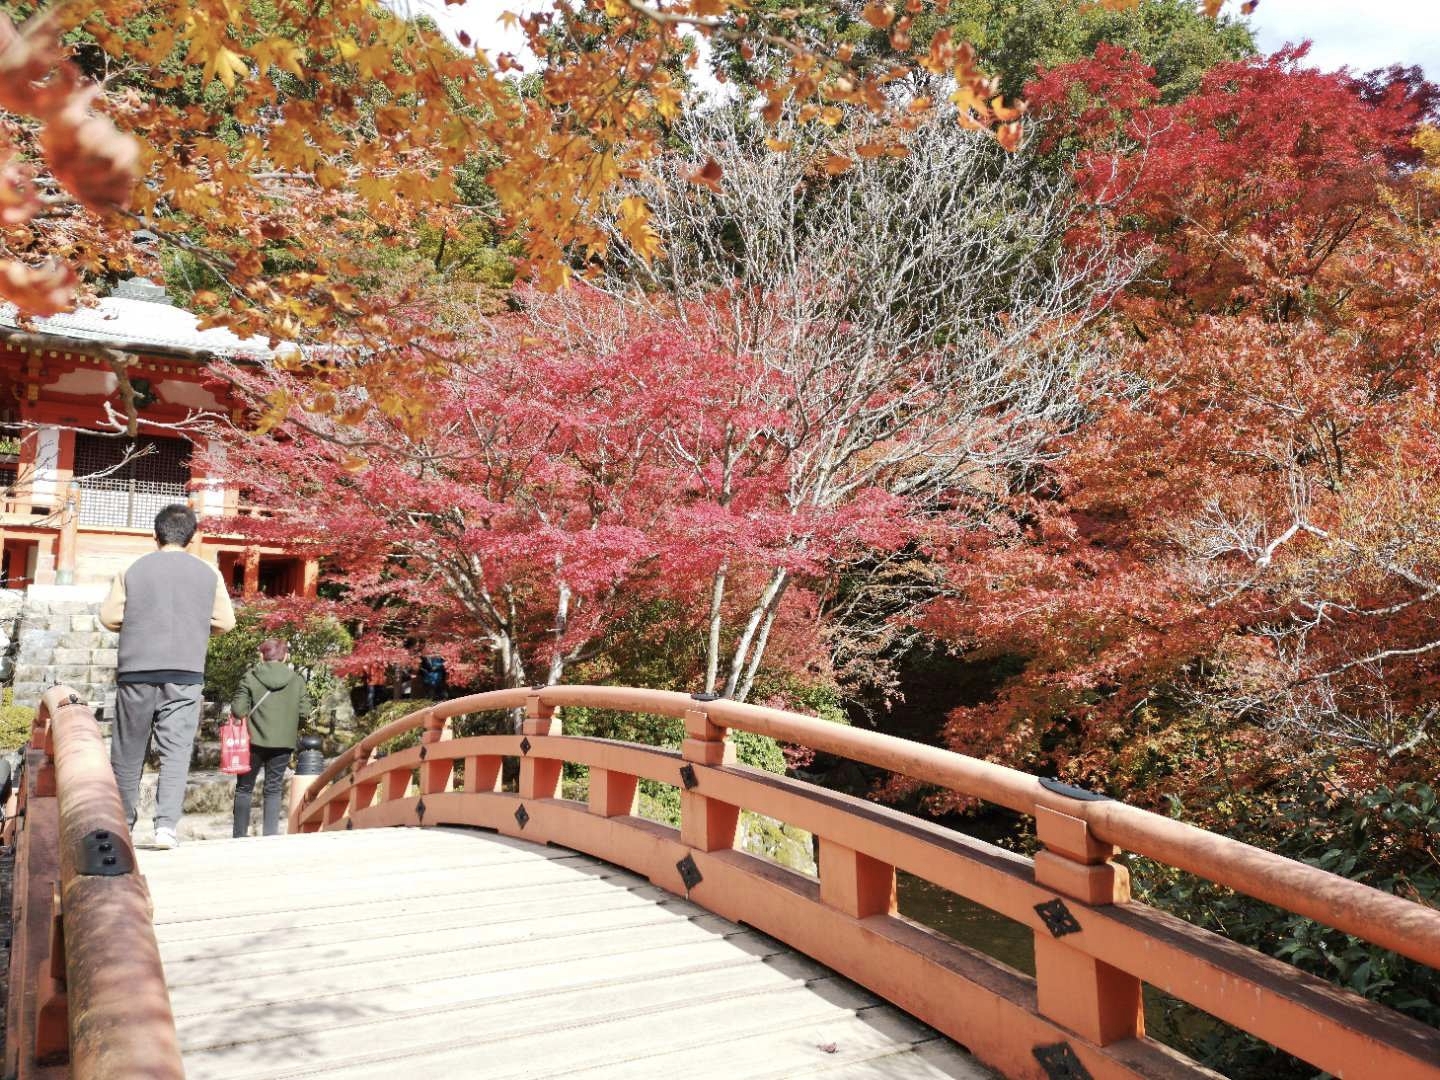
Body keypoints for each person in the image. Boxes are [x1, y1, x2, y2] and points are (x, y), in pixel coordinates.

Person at [100, 503, 236, 849]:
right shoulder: (209, 574)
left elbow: (110, 617)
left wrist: (139, 623)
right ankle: (165, 828)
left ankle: (122, 827)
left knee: (128, 752)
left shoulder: (131, 568)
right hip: (185, 671)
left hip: (136, 670)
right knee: (175, 750)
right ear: (192, 537)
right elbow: (225, 623)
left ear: (155, 535)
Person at [231, 638, 311, 837]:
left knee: (244, 788)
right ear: (285, 657)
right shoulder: (296, 680)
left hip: (252, 741)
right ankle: (270, 836)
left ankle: (239, 836)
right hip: (283, 742)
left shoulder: (250, 677)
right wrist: (290, 727)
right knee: (273, 788)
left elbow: (238, 710)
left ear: (261, 656)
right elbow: (304, 713)